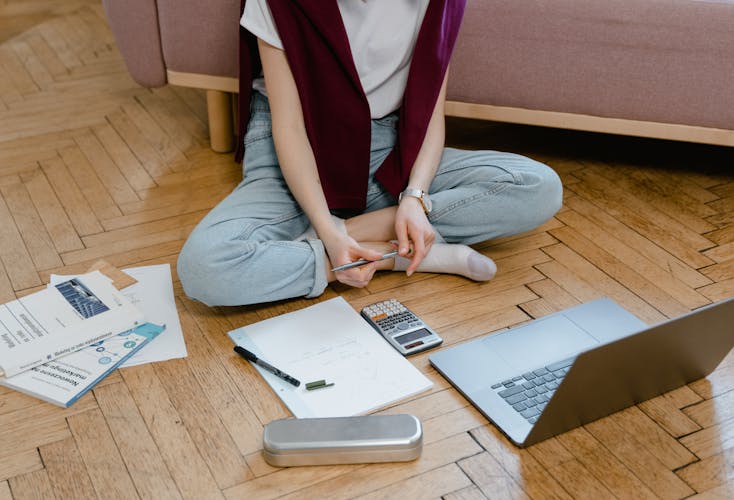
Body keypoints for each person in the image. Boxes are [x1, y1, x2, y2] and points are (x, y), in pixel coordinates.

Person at [177, 0, 563, 307]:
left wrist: (415, 197)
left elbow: (429, 112)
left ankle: (328, 245)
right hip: (296, 148)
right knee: (205, 268)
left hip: (391, 144)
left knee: (538, 186)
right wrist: (325, 228)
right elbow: (290, 129)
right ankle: (396, 255)